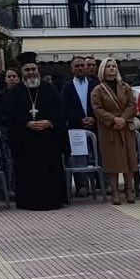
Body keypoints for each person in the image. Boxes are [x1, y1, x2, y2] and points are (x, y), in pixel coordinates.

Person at [0, 52, 68, 210]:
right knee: (28, 170)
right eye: (27, 70)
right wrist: (26, 123)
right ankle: (28, 201)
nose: (30, 72)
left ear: (38, 70)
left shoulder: (49, 89)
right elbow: (9, 116)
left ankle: (53, 199)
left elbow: (59, 111)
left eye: (33, 69)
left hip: (48, 139)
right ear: (22, 72)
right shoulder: (15, 92)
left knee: (49, 169)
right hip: (26, 140)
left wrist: (49, 122)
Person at [90, 58, 138, 205]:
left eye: (114, 66)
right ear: (102, 70)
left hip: (125, 128)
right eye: (108, 66)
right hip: (109, 130)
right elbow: (97, 109)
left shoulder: (125, 87)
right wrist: (113, 119)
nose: (112, 68)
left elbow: (132, 105)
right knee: (113, 161)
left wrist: (123, 119)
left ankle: (129, 189)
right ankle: (115, 191)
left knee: (129, 159)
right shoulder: (98, 90)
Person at [61, 56, 98, 197]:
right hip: (76, 127)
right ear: (72, 69)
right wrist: (80, 120)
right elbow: (65, 108)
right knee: (78, 157)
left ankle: (102, 183)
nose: (80, 68)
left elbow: (100, 105)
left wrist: (93, 118)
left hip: (95, 126)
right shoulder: (67, 87)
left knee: (97, 156)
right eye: (77, 66)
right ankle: (82, 185)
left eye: (82, 65)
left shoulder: (95, 85)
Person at [0, 67, 20, 196]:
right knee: (9, 161)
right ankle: (10, 188)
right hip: (8, 132)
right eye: (9, 77)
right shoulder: (1, 95)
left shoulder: (24, 93)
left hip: (23, 131)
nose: (12, 79)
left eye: (14, 76)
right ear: (5, 80)